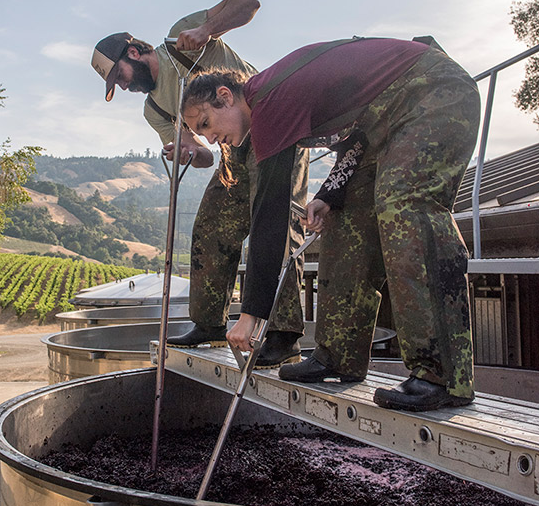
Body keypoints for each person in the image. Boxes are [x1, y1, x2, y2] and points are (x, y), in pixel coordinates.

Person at [180, 35, 481, 412]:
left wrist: (251, 315)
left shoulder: (267, 100)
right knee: (344, 223)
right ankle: (337, 357)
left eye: (207, 122)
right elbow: (357, 130)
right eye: (203, 135)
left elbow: (268, 216)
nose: (211, 138)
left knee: (404, 205)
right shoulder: (273, 105)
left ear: (225, 96)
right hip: (379, 123)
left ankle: (442, 375)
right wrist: (330, 193)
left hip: (432, 91)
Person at [91, 0, 309, 368]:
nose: (123, 88)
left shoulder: (180, 40)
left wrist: (207, 30)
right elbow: (205, 155)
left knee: (273, 225)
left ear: (134, 52)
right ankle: (208, 322)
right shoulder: (154, 110)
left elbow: (249, 5)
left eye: (120, 77)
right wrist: (187, 152)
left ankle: (283, 335)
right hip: (230, 153)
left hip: (267, 123)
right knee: (210, 226)